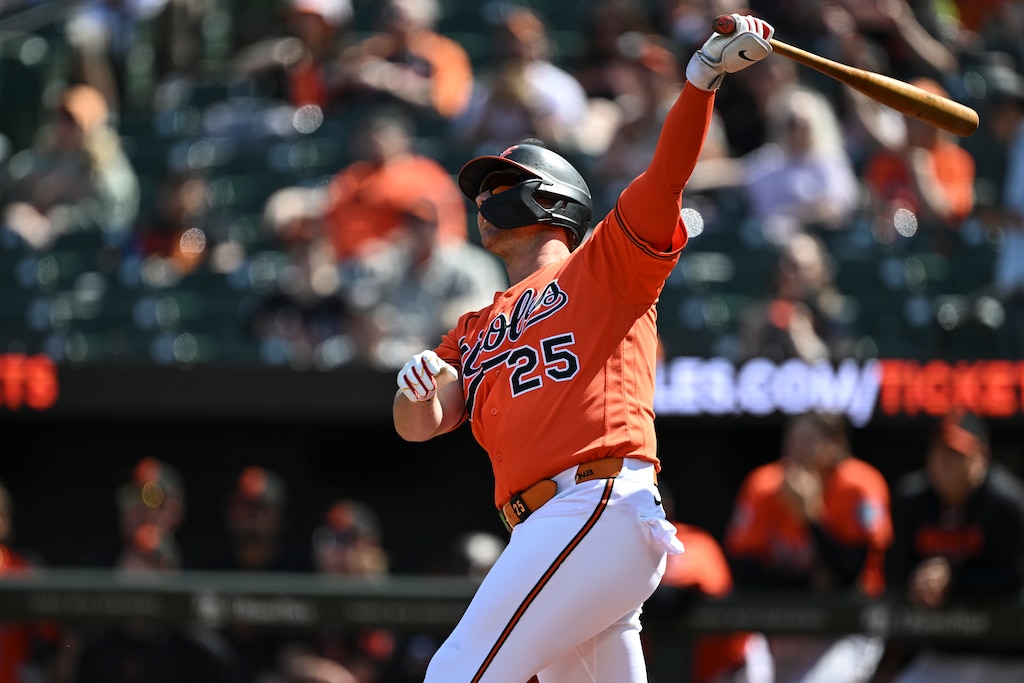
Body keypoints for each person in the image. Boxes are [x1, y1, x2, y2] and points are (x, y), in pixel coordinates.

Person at [392, 14, 776, 683]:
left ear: (551, 198)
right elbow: (420, 425)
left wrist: (700, 80)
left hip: (593, 503)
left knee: (455, 674)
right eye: (482, 188)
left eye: (500, 184)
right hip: (556, 529)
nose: (484, 197)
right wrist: (413, 389)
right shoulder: (475, 323)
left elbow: (665, 178)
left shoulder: (602, 263)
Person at [724, 411, 892, 683]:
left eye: (808, 439)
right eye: (792, 439)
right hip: (780, 629)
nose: (796, 448)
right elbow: (743, 570)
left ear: (835, 446)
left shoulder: (859, 484)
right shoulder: (764, 485)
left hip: (846, 629)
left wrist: (811, 517)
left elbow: (850, 574)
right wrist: (807, 581)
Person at [881, 410, 1024, 683]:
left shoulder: (1007, 503)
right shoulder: (912, 500)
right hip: (941, 655)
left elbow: (1013, 577)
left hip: (1007, 658)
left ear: (981, 457)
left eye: (955, 454)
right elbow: (893, 569)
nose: (942, 463)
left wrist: (953, 582)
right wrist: (916, 581)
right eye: (936, 452)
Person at [736, 232, 855, 363]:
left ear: (821, 271)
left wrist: (807, 341)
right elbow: (748, 365)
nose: (791, 275)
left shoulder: (836, 315)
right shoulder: (757, 317)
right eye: (787, 265)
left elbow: (842, 366)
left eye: (803, 268)